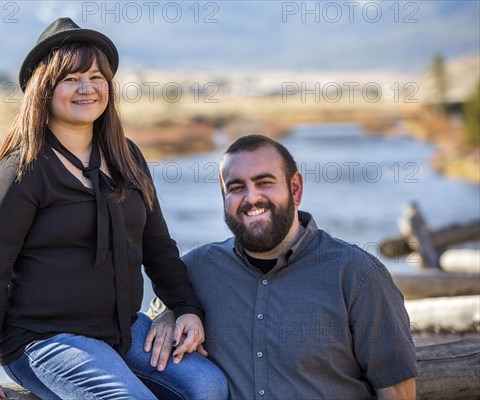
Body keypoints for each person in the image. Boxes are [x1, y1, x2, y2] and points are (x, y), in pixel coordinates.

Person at [0, 17, 228, 400]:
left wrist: (183, 308)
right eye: (71, 78)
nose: (87, 88)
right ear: (44, 89)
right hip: (44, 340)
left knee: (209, 386)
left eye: (97, 77)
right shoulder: (21, 172)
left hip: (122, 331)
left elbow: (157, 245)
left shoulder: (127, 156)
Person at [147, 134, 418, 399]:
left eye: (264, 182)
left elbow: (396, 390)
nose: (252, 198)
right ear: (224, 197)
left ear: (295, 188)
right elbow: (143, 343)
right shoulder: (194, 271)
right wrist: (173, 311)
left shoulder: (357, 274)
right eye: (237, 187)